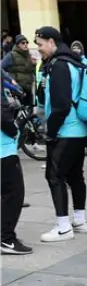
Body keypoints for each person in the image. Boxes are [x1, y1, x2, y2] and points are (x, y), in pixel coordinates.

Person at [34, 26, 87, 243]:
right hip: (79, 130)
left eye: (40, 44)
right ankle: (80, 220)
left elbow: (60, 106)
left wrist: (51, 133)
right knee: (75, 176)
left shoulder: (59, 66)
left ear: (51, 42)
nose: (38, 49)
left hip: (65, 130)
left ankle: (63, 227)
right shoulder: (74, 62)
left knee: (54, 176)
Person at [1, 73, 33, 254]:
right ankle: (6, 239)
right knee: (13, 194)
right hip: (3, 149)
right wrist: (14, 130)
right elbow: (2, 113)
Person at [2, 34, 36, 105]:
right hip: (18, 87)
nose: (25, 44)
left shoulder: (28, 55)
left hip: (28, 87)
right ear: (18, 45)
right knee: (22, 109)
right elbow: (1, 68)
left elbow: (30, 70)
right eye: (23, 43)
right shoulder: (11, 55)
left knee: (29, 108)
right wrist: (10, 80)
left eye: (27, 42)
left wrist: (33, 64)